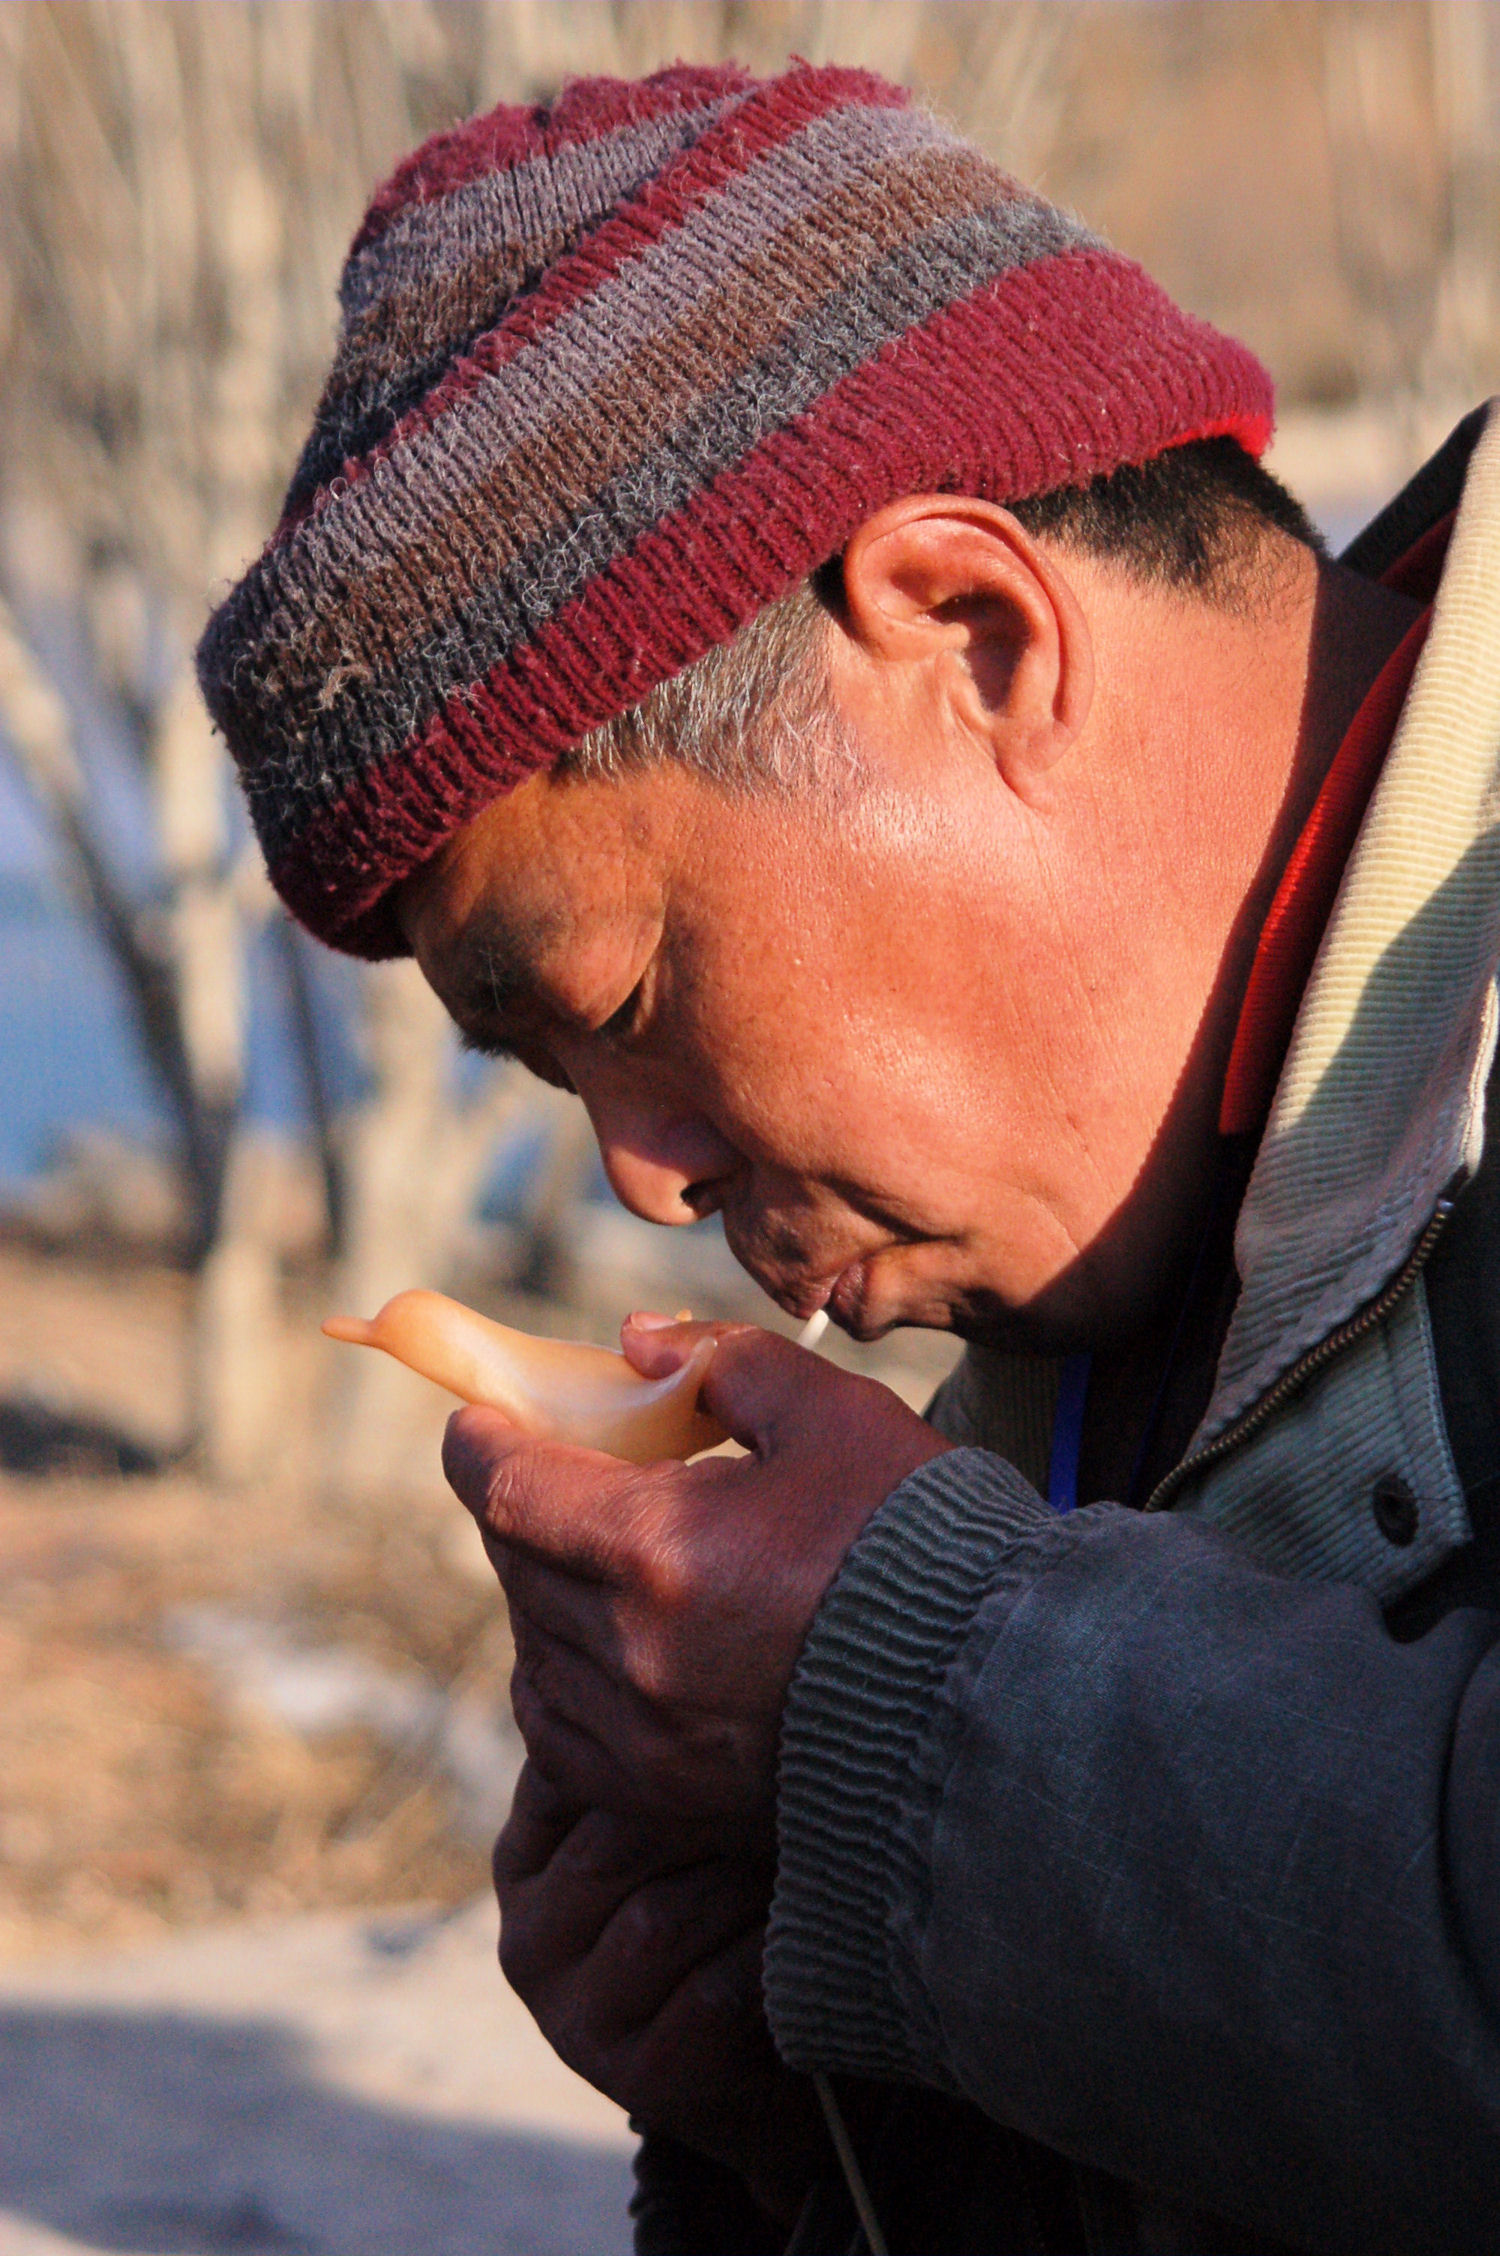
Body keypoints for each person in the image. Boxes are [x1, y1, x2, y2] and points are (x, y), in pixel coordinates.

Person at [196, 60, 1500, 2256]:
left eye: (623, 999)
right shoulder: (1087, 1328)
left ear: (974, 634)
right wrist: (827, 2114)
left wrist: (923, 1687)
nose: (642, 1181)